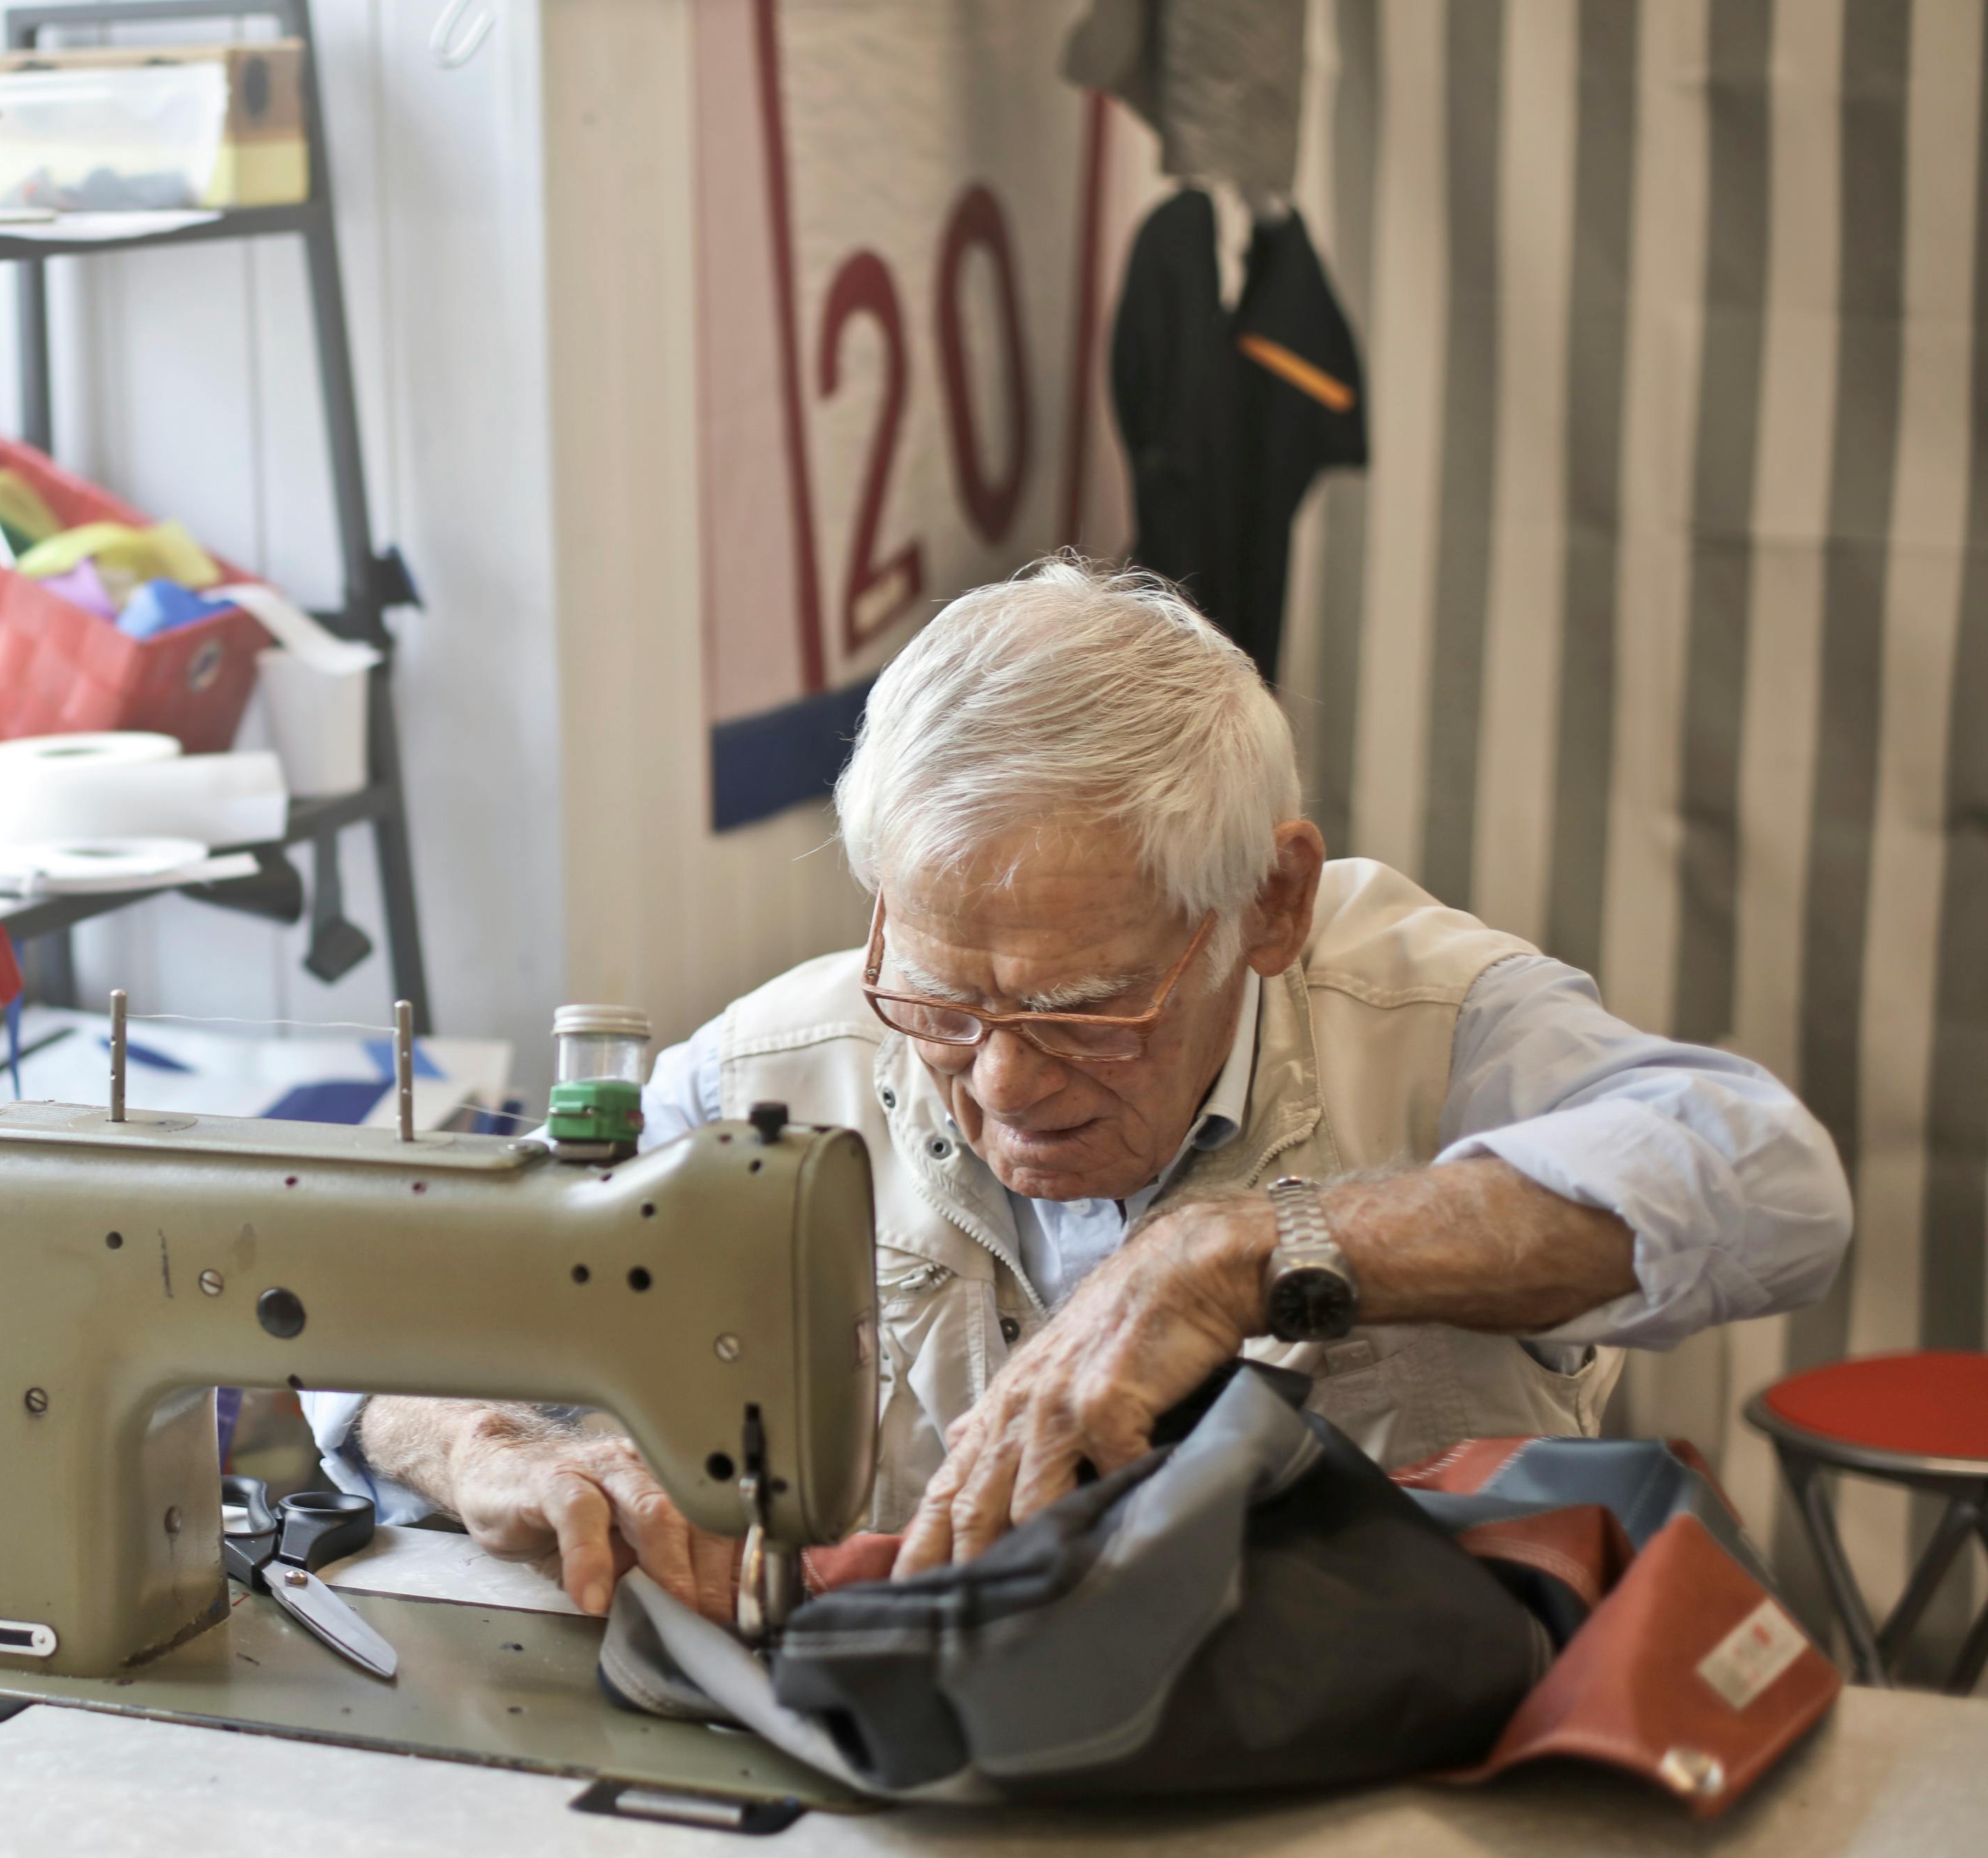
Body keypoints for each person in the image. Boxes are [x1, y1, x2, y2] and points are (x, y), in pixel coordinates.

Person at [305, 560, 1852, 1621]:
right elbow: (367, 1300)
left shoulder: (1418, 1011)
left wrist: (1256, 1244)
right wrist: (478, 1440)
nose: (996, 1079)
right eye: (940, 998)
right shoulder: (781, 1064)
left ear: (1263, 901)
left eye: (1078, 1008)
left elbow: (1770, 1185)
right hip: (947, 1804)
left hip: (1390, 1804)